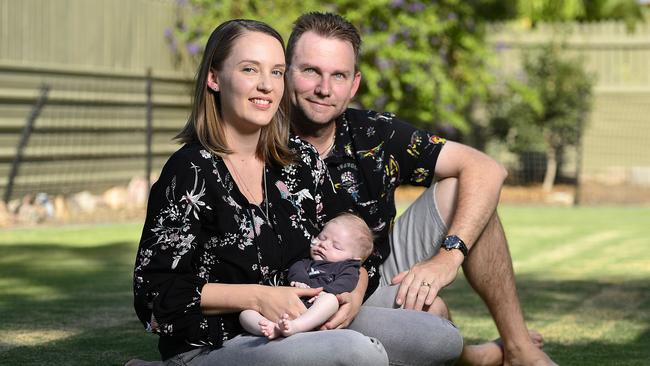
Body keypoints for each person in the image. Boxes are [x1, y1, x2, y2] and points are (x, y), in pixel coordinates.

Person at [286, 12, 556, 366]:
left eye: (338, 75)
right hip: (299, 290)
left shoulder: (373, 133)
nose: (325, 88)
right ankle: (473, 358)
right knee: (433, 312)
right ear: (285, 72)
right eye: (311, 71)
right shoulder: (257, 137)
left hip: (376, 273)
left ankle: (519, 348)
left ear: (354, 84)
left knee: (468, 189)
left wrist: (448, 256)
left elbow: (487, 168)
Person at [132, 19, 391, 366]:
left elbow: (357, 244)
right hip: (218, 341)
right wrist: (257, 297)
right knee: (360, 355)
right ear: (214, 78)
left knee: (436, 340)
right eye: (250, 69)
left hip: (304, 320)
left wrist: (353, 294)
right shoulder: (189, 172)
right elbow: (153, 293)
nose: (266, 85)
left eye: (277, 72)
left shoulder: (299, 160)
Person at [240, 213, 380, 339]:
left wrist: (326, 292)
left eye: (336, 246)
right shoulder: (306, 263)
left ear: (354, 259)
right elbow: (296, 270)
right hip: (284, 307)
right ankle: (270, 328)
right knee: (246, 313)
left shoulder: (347, 268)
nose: (323, 244)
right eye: (321, 237)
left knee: (331, 300)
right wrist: (300, 281)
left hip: (316, 307)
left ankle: (297, 327)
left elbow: (346, 282)